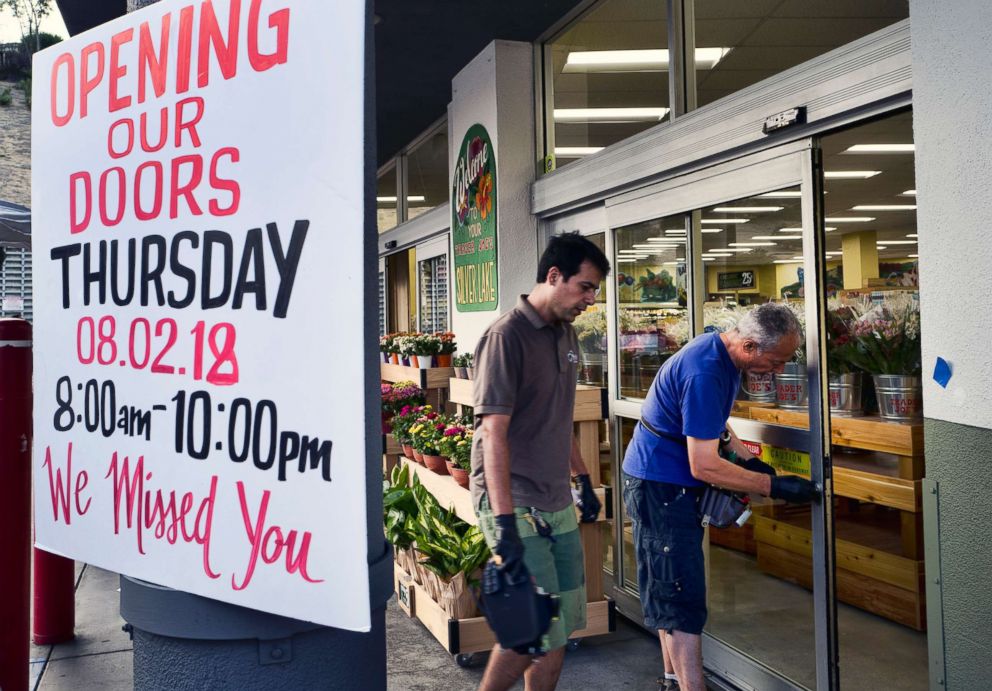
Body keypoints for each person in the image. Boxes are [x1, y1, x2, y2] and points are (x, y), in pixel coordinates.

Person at [622, 303, 818, 691]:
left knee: (669, 591)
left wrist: (750, 460)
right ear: (748, 346)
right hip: (661, 488)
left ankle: (671, 682)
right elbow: (703, 465)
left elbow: (711, 422)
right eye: (775, 362)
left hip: (660, 483)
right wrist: (771, 486)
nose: (778, 371)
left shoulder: (717, 354)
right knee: (681, 600)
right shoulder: (705, 370)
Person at [471, 232, 610, 691]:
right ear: (554, 276)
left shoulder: (566, 334)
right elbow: (493, 432)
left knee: (561, 625)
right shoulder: (504, 337)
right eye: (586, 287)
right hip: (515, 502)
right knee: (528, 629)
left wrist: (583, 477)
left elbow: (560, 413)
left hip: (556, 499)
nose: (591, 299)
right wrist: (505, 525)